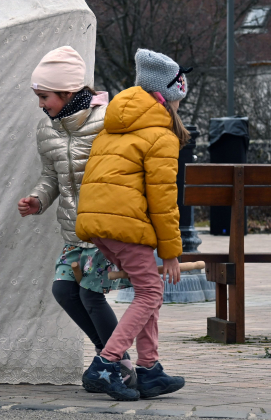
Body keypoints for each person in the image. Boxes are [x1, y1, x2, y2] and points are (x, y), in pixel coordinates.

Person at [17, 46, 137, 390]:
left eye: (45, 97)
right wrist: (37, 200)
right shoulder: (48, 131)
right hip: (73, 231)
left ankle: (115, 363)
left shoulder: (106, 122)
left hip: (104, 228)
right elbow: (50, 178)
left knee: (90, 295)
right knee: (63, 291)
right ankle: (109, 356)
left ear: (68, 92)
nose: (41, 105)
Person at [75, 49, 191, 401]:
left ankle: (150, 370)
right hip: (126, 224)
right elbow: (162, 199)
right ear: (168, 97)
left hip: (97, 222)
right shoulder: (160, 135)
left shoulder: (114, 125)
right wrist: (171, 252)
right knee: (151, 292)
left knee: (147, 289)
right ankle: (106, 364)